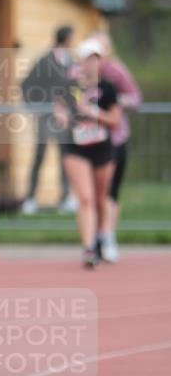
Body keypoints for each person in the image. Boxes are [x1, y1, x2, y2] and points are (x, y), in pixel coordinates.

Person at [54, 38, 120, 268]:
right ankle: (89, 248)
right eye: (88, 59)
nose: (91, 63)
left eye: (95, 59)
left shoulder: (108, 88)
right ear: (80, 61)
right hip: (76, 148)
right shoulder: (69, 86)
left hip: (102, 149)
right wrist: (61, 115)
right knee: (85, 198)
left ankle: (103, 238)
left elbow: (115, 120)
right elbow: (59, 108)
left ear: (101, 62)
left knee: (101, 199)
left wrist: (93, 113)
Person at [92, 30, 142, 263]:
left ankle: (108, 236)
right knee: (92, 194)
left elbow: (136, 98)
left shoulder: (116, 72)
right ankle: (93, 239)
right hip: (89, 142)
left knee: (110, 192)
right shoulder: (81, 73)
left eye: (101, 49)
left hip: (114, 139)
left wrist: (117, 100)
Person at [20, 25, 75, 214]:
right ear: (66, 39)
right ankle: (30, 199)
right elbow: (26, 85)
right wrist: (39, 109)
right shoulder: (45, 61)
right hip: (46, 117)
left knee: (66, 157)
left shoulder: (70, 61)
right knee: (40, 156)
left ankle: (65, 198)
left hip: (64, 119)